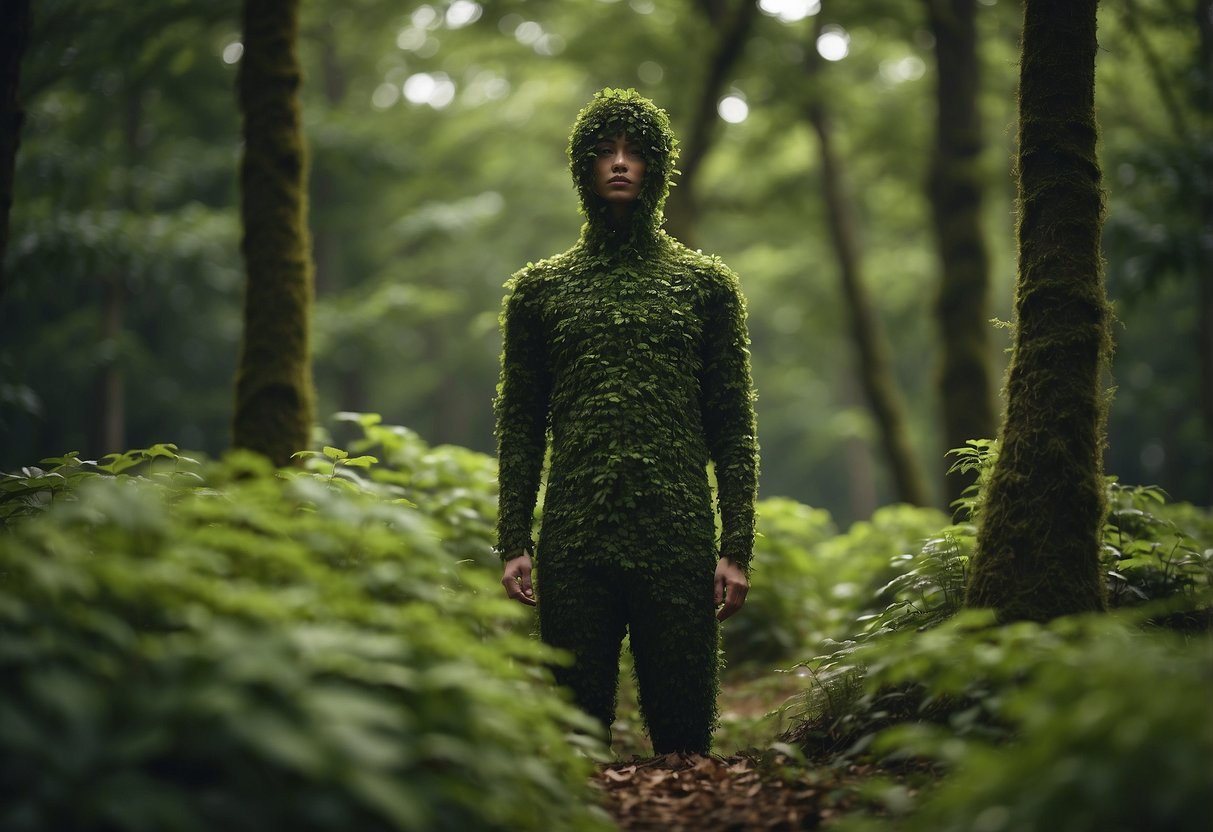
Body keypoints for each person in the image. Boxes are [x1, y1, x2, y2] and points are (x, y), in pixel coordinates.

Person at [494, 88, 758, 755]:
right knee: (575, 742)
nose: (619, 164)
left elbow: (732, 426)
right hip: (575, 536)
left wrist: (734, 549)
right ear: (581, 167)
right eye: (604, 152)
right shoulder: (540, 290)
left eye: (635, 152)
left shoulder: (704, 286)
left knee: (683, 741)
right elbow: (521, 423)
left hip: (676, 533)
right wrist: (513, 541)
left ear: (657, 168)